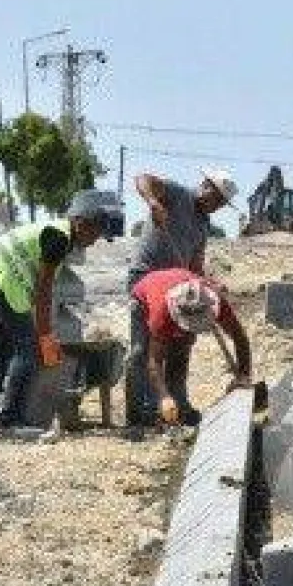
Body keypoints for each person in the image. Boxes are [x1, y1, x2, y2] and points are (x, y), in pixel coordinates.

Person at [0, 192, 113, 435]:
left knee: (4, 350)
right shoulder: (59, 237)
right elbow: (44, 290)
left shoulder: (57, 232)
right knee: (28, 349)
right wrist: (45, 336)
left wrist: (44, 331)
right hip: (1, 277)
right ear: (80, 222)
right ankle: (9, 422)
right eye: (94, 233)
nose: (94, 240)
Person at [125, 168, 240, 424]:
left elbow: (195, 265)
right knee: (143, 350)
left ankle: (177, 405)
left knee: (182, 346)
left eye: (221, 203)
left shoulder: (203, 224)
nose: (217, 206)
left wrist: (207, 284)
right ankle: (140, 412)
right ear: (205, 186)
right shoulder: (177, 195)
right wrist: (154, 202)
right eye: (216, 198)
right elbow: (143, 179)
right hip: (145, 279)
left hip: (179, 288)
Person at [132, 268, 252, 427]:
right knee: (141, 355)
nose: (189, 330)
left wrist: (243, 375)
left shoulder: (216, 301)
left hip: (175, 285)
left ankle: (180, 406)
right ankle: (146, 412)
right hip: (143, 297)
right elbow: (155, 361)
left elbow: (240, 338)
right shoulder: (161, 314)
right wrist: (164, 396)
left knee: (181, 352)